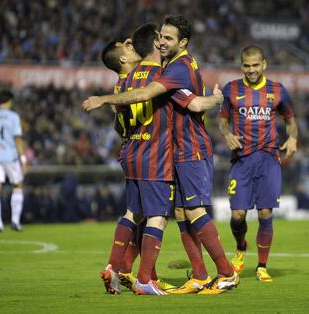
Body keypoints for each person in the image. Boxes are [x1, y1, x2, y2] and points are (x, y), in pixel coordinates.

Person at [83, 15, 239, 295]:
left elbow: (192, 104)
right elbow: (193, 102)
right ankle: (199, 275)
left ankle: (225, 273)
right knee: (174, 212)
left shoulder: (163, 73)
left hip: (186, 149)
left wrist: (216, 100)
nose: (162, 42)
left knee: (175, 211)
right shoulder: (163, 71)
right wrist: (214, 99)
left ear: (183, 42)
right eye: (161, 37)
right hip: (166, 153)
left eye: (168, 37)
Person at [99, 37, 176, 294]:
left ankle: (114, 267)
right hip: (152, 153)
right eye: (126, 46)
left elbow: (118, 127)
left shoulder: (122, 85)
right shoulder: (152, 75)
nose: (130, 45)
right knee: (158, 216)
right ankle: (145, 279)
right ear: (122, 58)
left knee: (134, 213)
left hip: (129, 151)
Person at [219, 45, 298, 282]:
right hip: (242, 160)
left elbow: (290, 120)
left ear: (264, 64)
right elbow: (223, 121)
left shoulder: (278, 91)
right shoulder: (231, 89)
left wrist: (292, 137)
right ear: (241, 65)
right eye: (247, 65)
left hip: (268, 159)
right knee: (238, 215)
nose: (251, 70)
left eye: (256, 65)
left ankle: (262, 266)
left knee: (265, 213)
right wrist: (227, 134)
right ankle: (241, 247)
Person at [0, 90, 27, 232]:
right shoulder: (13, 117)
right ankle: (15, 221)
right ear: (9, 101)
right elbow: (18, 139)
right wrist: (23, 159)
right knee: (17, 186)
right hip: (11, 157)